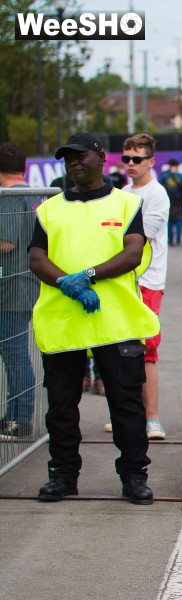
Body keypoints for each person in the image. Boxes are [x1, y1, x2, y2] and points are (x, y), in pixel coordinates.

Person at [28, 132, 160, 504]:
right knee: (62, 407)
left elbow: (132, 254)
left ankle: (134, 475)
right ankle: (63, 475)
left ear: (100, 157)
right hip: (63, 322)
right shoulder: (49, 209)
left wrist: (86, 276)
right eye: (67, 158)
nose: (73, 162)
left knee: (125, 405)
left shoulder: (126, 204)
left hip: (115, 324)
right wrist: (66, 284)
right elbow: (36, 258)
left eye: (79, 155)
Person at [121, 133, 170, 440]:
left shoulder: (157, 194)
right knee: (123, 349)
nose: (129, 164)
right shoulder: (123, 192)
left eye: (136, 159)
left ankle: (152, 418)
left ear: (151, 161)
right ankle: (129, 414)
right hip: (124, 280)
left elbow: (140, 240)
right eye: (125, 158)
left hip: (148, 280)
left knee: (146, 349)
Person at [0, 142, 42, 440]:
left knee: (15, 355)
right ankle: (14, 415)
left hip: (13, 288)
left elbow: (6, 242)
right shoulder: (32, 194)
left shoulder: (10, 198)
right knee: (15, 353)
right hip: (24, 284)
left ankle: (21, 419)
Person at [159, 158, 182, 246]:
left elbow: (161, 188)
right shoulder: (181, 176)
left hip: (169, 199)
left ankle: (170, 240)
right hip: (179, 199)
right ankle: (178, 240)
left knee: (170, 220)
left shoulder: (165, 176)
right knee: (179, 219)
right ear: (177, 166)